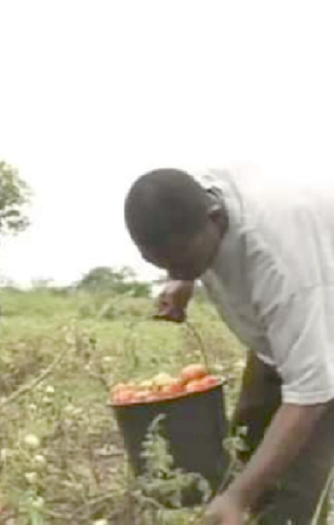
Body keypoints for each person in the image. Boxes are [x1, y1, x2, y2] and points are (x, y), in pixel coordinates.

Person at [123, 167, 334, 525]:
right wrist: (182, 278)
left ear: (215, 219)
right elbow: (181, 241)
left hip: (324, 339)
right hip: (281, 338)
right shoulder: (199, 198)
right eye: (160, 264)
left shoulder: (283, 265)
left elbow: (310, 393)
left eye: (182, 260)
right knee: (242, 447)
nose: (174, 269)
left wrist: (238, 498)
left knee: (297, 497)